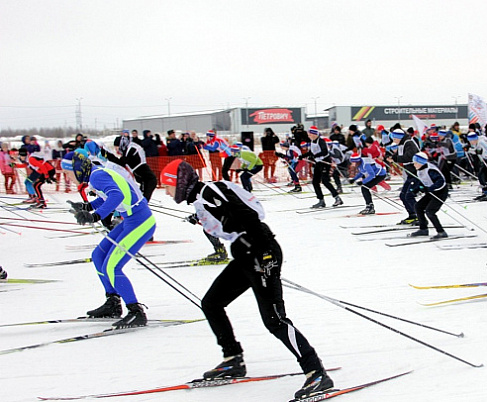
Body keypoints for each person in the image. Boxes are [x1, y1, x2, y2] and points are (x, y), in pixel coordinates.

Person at [159, 160, 334, 399]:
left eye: (168, 186)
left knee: (275, 320)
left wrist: (257, 246)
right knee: (212, 303)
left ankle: (316, 372)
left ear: (180, 183)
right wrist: (203, 217)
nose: (167, 192)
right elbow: (229, 216)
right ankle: (233, 360)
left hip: (261, 252)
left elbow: (251, 214)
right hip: (246, 254)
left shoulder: (210, 192)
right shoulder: (203, 198)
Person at [62, 151, 154, 329]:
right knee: (98, 256)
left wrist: (95, 216)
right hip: (130, 220)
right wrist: (87, 207)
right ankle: (112, 301)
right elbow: (108, 197)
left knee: (111, 266)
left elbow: (117, 196)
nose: (66, 177)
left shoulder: (97, 177)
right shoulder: (97, 174)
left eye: (66, 173)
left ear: (76, 169)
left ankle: (136, 311)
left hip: (140, 220)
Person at [407, 152, 449, 239]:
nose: (414, 164)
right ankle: (423, 229)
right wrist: (416, 190)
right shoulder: (420, 171)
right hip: (431, 192)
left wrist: (430, 188)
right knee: (418, 206)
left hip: (440, 192)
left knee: (430, 211)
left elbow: (440, 182)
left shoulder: (430, 170)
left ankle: (441, 231)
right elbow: (422, 182)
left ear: (420, 162)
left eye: (415, 162)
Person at [385, 129, 420, 224]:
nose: (394, 141)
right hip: (410, 173)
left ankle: (419, 216)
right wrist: (390, 156)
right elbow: (400, 155)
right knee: (403, 195)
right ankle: (412, 215)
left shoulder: (409, 143)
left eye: (394, 139)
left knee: (409, 196)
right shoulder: (402, 143)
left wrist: (395, 159)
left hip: (416, 173)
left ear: (399, 137)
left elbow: (409, 156)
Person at [302, 126, 343, 208]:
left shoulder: (321, 141)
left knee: (325, 181)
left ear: (314, 134)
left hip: (325, 162)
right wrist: (302, 156)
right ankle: (321, 200)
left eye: (309, 134)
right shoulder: (312, 141)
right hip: (318, 163)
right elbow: (311, 152)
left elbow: (324, 151)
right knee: (315, 182)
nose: (308, 135)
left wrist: (315, 155)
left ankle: (337, 198)